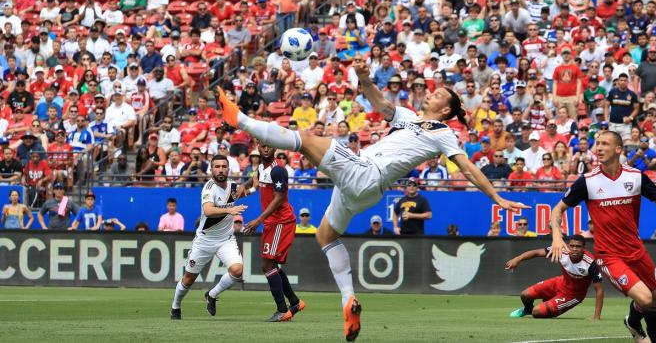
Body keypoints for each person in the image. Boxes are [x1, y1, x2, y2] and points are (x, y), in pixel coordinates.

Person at [216, 60, 527, 340]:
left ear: (445, 110)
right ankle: (348, 300)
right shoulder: (408, 116)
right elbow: (379, 101)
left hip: (366, 172)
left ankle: (239, 119)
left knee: (308, 140)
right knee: (325, 236)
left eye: (438, 95)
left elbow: (468, 169)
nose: (431, 94)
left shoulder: (442, 131)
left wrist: (497, 197)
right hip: (365, 190)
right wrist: (364, 76)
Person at [549, 131, 656, 343]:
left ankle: (633, 322)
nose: (598, 147)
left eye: (604, 143)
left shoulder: (635, 177)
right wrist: (556, 236)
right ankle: (645, 334)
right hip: (609, 256)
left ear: (618, 149)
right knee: (646, 298)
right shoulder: (588, 181)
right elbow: (557, 210)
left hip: (636, 250)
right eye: (597, 143)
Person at [171, 155, 247, 320]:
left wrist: (258, 179)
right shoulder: (209, 187)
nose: (220, 169)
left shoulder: (233, 187)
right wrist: (229, 210)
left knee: (237, 271)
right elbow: (208, 211)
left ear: (228, 169)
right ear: (211, 169)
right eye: (217, 166)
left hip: (226, 239)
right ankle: (175, 306)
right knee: (189, 278)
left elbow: (245, 190)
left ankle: (212, 295)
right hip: (205, 240)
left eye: (223, 166)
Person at [241, 143, 305, 322]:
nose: (266, 149)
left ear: (275, 149)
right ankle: (295, 302)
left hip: (281, 222)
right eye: (262, 146)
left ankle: (282, 310)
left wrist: (258, 220)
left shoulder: (278, 170)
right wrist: (239, 189)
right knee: (271, 265)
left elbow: (279, 199)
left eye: (269, 146)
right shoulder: (262, 168)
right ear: (258, 149)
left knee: (267, 266)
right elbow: (253, 181)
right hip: (272, 223)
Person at [506, 235, 604, 319]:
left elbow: (599, 290)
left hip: (573, 295)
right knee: (525, 295)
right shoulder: (561, 251)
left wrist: (596, 316)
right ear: (568, 246)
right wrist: (517, 259)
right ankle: (527, 310)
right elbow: (536, 252)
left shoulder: (590, 263)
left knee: (537, 312)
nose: (574, 249)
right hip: (559, 283)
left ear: (583, 248)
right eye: (572, 246)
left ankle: (546, 308)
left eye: (578, 247)